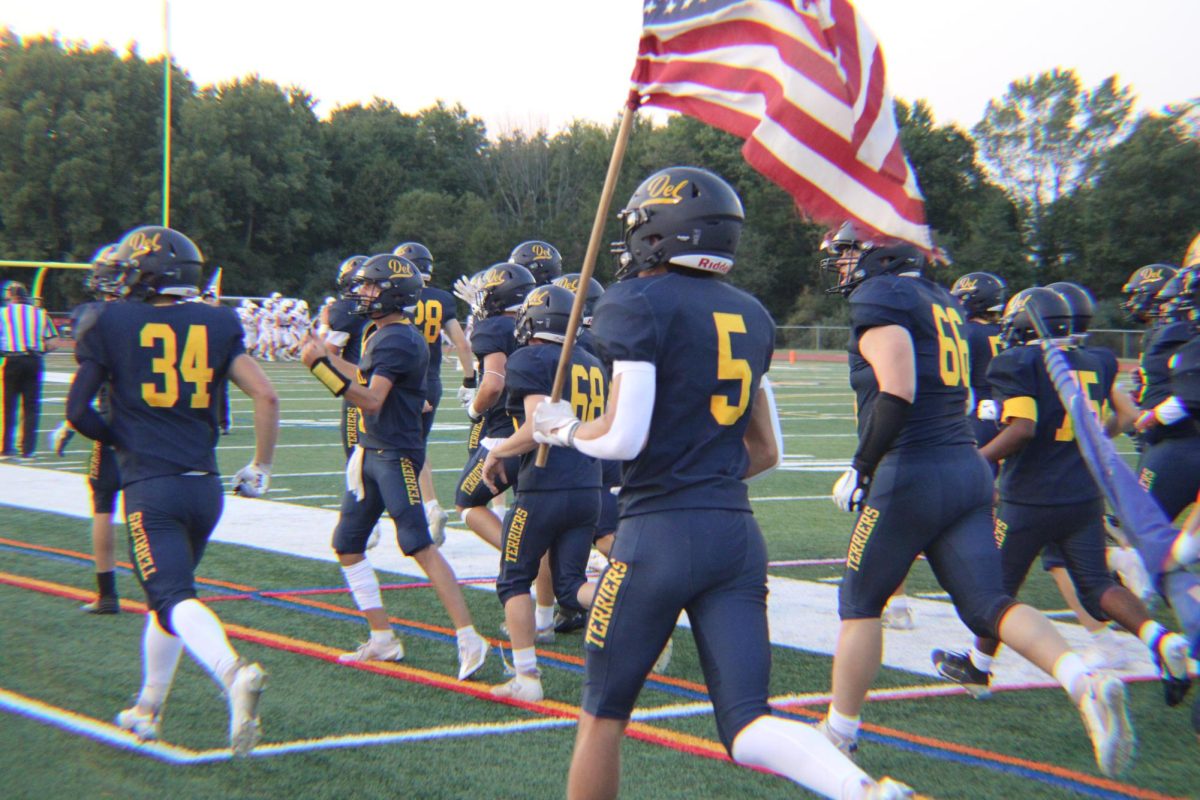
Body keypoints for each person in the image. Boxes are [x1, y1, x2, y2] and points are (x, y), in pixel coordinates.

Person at [534, 167, 913, 800]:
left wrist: (564, 429)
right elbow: (766, 450)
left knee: (601, 718)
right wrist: (702, 478)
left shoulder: (635, 303)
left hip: (656, 535)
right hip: (735, 535)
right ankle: (862, 791)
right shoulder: (752, 314)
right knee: (747, 720)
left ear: (657, 235)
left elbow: (623, 437)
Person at [817, 231, 1135, 778]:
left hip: (911, 470)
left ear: (881, 254)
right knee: (987, 601)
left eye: (849, 251)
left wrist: (861, 464)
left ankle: (839, 733)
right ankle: (1082, 676)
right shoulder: (939, 299)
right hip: (965, 467)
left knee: (861, 603)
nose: (843, 265)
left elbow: (897, 389)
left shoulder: (883, 299)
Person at [66, 224, 278, 756]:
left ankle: (232, 672)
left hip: (151, 486)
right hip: (204, 487)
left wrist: (119, 438)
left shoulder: (109, 320)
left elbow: (77, 411)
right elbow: (266, 395)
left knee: (173, 595)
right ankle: (146, 709)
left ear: (145, 272)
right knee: (168, 599)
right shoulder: (217, 320)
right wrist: (260, 466)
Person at [930, 287, 1190, 707]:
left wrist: (976, 460)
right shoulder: (1097, 360)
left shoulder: (1017, 361)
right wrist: (1083, 442)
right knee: (1096, 584)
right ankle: (1159, 638)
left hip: (1029, 497)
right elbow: (1123, 417)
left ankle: (978, 666)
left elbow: (1022, 427)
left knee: (994, 589)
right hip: (1082, 495)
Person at [299, 253, 487, 679]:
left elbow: (370, 398)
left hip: (394, 454)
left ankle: (469, 635)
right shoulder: (380, 333)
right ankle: (383, 637)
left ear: (394, 293)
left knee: (419, 544)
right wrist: (325, 359)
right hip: (371, 450)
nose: (362, 293)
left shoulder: (399, 338)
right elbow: (365, 376)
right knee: (348, 545)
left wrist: (319, 370)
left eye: (371, 286)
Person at [481, 283, 607, 701]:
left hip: (544, 488)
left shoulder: (531, 357)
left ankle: (527, 678)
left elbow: (539, 426)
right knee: (571, 586)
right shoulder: (589, 360)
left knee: (513, 580)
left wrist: (498, 450)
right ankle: (627, 600)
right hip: (588, 484)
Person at [51, 244, 126, 614]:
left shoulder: (96, 316)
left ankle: (107, 593)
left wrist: (74, 422)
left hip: (116, 427)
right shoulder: (155, 313)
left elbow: (90, 383)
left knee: (103, 504)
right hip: (159, 429)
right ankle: (172, 590)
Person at [393, 241, 475, 545]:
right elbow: (462, 344)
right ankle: (427, 505)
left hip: (402, 379)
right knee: (416, 445)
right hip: (432, 380)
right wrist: (469, 380)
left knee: (392, 446)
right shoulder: (441, 299)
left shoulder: (400, 294)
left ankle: (422, 508)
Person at [453, 263, 536, 551]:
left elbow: (492, 385)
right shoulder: (538, 324)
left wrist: (474, 410)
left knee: (466, 501)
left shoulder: (493, 327)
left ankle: (519, 555)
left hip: (507, 431)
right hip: (542, 430)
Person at [0, 280, 60, 458]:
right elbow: (53, 342)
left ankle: (5, 447)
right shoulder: (40, 313)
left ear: (11, 296)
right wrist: (40, 351)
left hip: (13, 360)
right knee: (31, 406)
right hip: (34, 360)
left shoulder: (4, 313)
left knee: (9, 405)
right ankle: (28, 449)